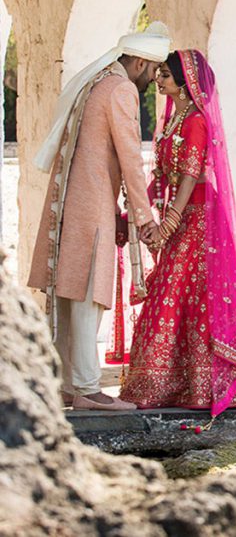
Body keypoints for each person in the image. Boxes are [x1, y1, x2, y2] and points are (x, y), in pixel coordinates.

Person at [27, 23, 171, 411]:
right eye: (152, 70)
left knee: (69, 293)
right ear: (139, 62)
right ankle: (88, 390)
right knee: (89, 293)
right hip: (91, 205)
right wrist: (145, 219)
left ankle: (63, 386)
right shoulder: (120, 88)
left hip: (70, 202)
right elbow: (130, 158)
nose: (152, 80)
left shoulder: (96, 81)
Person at [120, 50, 236, 416]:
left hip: (199, 216)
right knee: (175, 295)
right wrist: (142, 212)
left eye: (167, 76)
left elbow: (189, 175)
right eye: (160, 75)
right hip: (180, 213)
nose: (159, 80)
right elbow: (165, 172)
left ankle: (203, 382)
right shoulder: (173, 119)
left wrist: (169, 222)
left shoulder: (196, 122)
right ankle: (172, 381)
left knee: (189, 294)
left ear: (185, 83)